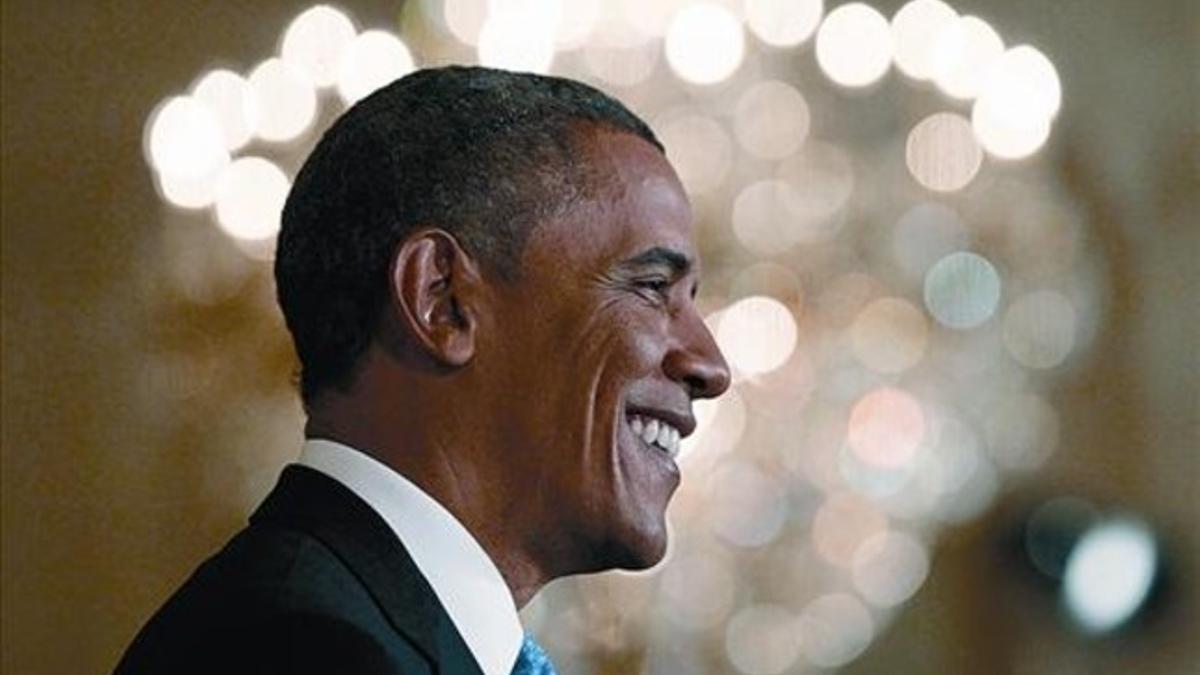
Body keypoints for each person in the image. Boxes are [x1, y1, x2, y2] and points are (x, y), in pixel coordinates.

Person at [114, 65, 730, 675]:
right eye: (653, 287)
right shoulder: (298, 651)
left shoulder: (346, 624)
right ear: (442, 300)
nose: (711, 365)